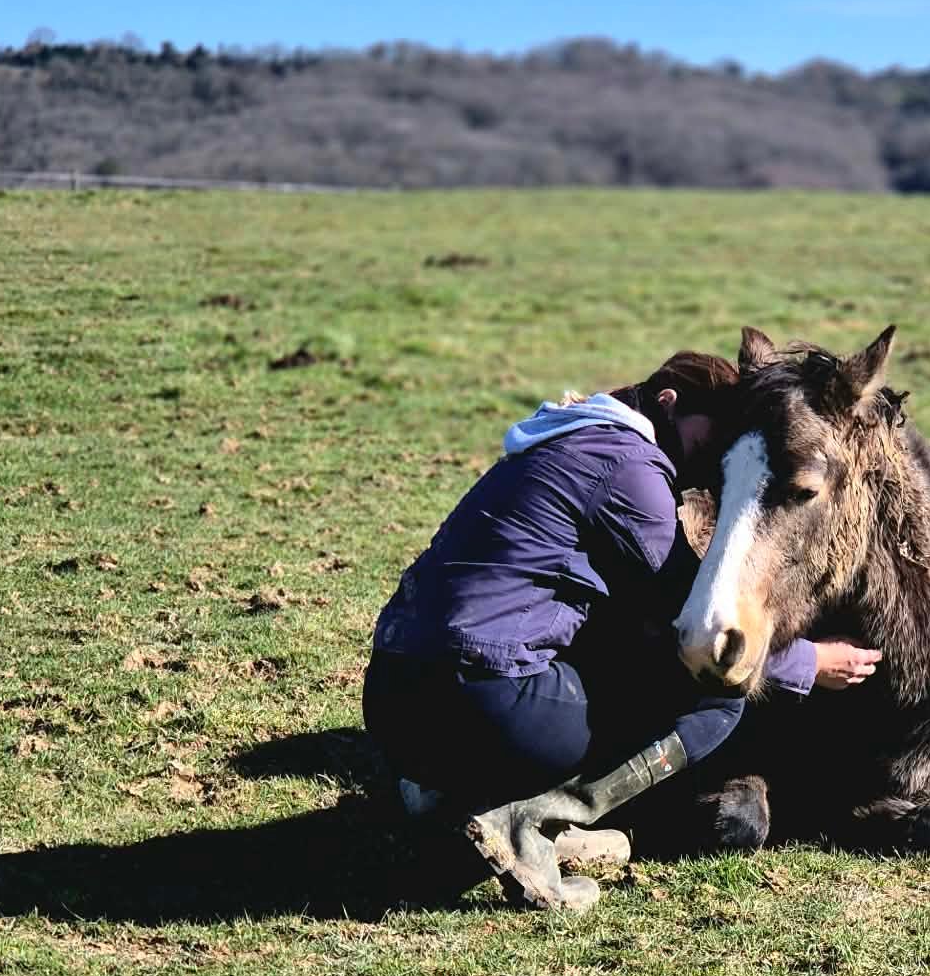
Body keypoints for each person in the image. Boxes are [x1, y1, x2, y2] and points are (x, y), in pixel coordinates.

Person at [363, 352, 881, 911]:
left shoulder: (561, 439)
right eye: (712, 434)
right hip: (479, 700)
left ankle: (439, 794)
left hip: (393, 696)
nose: (711, 459)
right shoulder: (627, 468)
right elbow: (687, 617)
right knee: (717, 697)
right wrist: (809, 663)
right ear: (669, 404)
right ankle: (525, 824)